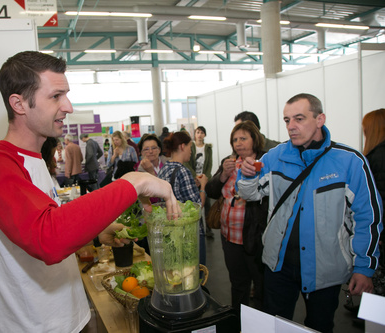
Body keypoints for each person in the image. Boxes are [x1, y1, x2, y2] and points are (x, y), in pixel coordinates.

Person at [0, 51, 179, 333]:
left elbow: (39, 226)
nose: (68, 106)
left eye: (66, 94)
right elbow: (48, 238)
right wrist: (133, 182)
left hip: (67, 318)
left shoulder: (33, 160)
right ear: (19, 103)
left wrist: (94, 233)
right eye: (56, 96)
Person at [237, 93, 383, 333]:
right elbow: (252, 194)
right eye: (286, 120)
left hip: (325, 269)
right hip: (279, 265)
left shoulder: (350, 162)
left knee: (320, 325)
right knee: (274, 325)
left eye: (299, 118)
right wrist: (248, 175)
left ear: (320, 119)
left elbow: (368, 217)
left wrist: (364, 267)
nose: (291, 127)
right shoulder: (276, 156)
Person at [204, 121, 268, 314]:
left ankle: (259, 323)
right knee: (238, 282)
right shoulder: (229, 161)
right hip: (229, 235)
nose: (238, 143)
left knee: (261, 284)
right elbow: (212, 191)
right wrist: (223, 173)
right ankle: (239, 321)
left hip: (255, 235)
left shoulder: (265, 162)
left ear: (254, 139)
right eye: (235, 139)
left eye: (243, 138)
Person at [158, 131, 208, 267]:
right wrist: (203, 185)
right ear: (182, 146)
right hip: (189, 233)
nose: (191, 151)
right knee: (196, 274)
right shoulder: (182, 171)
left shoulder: (164, 169)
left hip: (171, 231)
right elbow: (197, 206)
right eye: (189, 146)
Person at [362, 109, 385, 269]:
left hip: (380, 233)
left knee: (376, 288)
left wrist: (379, 233)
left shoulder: (378, 157)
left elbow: (378, 199)